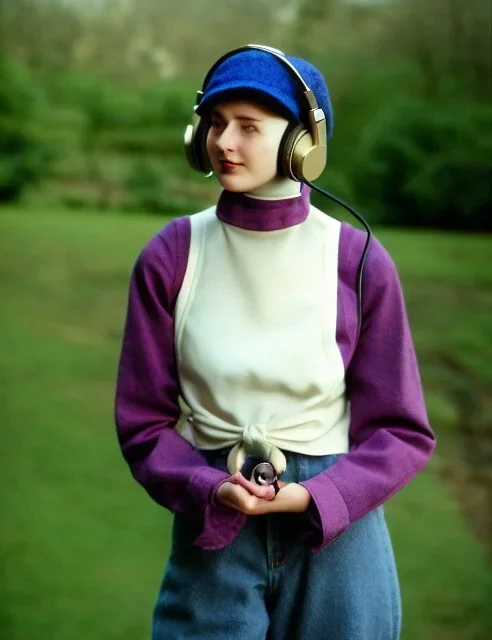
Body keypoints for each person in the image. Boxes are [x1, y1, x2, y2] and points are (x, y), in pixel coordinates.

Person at [115, 44, 436, 640]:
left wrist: (318, 497)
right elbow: (143, 424)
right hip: (213, 518)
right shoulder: (172, 255)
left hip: (337, 528)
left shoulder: (359, 260)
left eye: (249, 127)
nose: (224, 142)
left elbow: (402, 430)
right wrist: (208, 487)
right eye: (215, 122)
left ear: (302, 143)